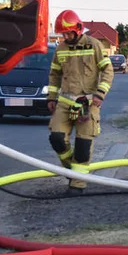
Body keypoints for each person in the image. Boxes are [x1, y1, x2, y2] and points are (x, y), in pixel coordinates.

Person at [46, 10, 114, 195]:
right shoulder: (60, 49)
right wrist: (51, 97)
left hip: (88, 104)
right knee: (57, 139)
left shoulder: (95, 45)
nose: (66, 37)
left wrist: (100, 94)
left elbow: (108, 71)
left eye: (69, 33)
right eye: (63, 34)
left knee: (83, 147)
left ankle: (77, 185)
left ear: (78, 29)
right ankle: (71, 171)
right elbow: (55, 74)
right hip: (65, 102)